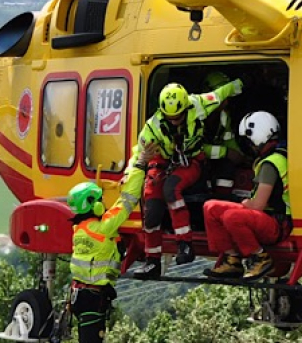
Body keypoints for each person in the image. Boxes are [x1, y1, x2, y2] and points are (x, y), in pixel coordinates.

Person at [126, 78, 244, 280]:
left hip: (191, 160)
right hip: (163, 162)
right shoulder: (152, 127)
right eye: (170, 118)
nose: (174, 121)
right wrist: (130, 171)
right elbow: (138, 153)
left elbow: (220, 94)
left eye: (178, 117)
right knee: (152, 208)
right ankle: (152, 261)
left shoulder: (198, 104)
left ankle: (185, 244)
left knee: (171, 189)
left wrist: (240, 84)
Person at [202, 111, 291, 281]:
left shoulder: (271, 164)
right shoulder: (270, 158)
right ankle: (232, 260)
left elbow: (258, 205)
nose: (249, 147)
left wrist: (243, 202)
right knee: (210, 207)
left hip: (277, 224)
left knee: (232, 216)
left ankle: (260, 257)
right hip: (265, 218)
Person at [67, 173, 144, 343]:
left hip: (79, 296)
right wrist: (138, 170)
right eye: (101, 200)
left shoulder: (78, 229)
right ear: (95, 206)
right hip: (93, 298)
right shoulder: (104, 228)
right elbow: (127, 202)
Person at [200, 71, 248, 195]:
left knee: (227, 167)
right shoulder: (194, 117)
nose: (226, 102)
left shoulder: (223, 115)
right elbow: (192, 149)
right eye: (222, 98)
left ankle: (222, 199)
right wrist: (225, 152)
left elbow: (229, 140)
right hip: (194, 163)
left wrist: (241, 156)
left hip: (213, 160)